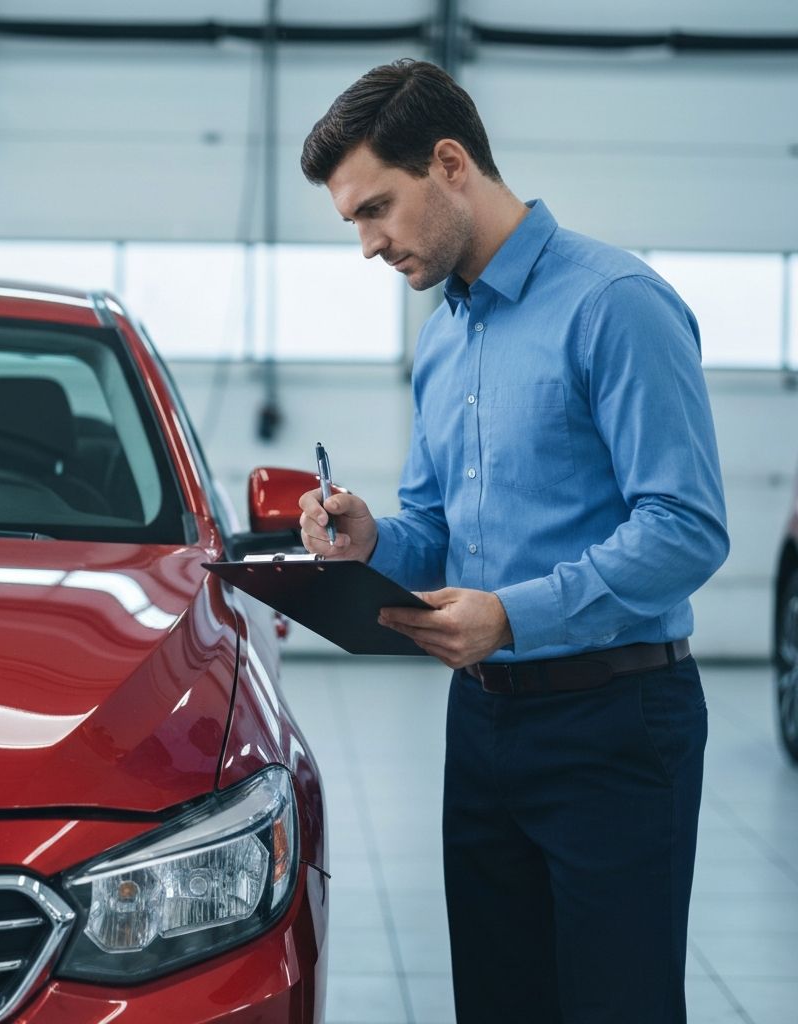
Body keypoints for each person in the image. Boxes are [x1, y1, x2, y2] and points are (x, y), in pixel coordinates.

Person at [297, 59, 729, 1024]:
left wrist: (513, 616)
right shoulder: (441, 340)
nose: (368, 246)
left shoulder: (615, 304)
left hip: (617, 721)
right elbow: (438, 533)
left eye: (377, 210)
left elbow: (689, 526)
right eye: (353, 224)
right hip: (483, 729)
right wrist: (371, 540)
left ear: (450, 163)